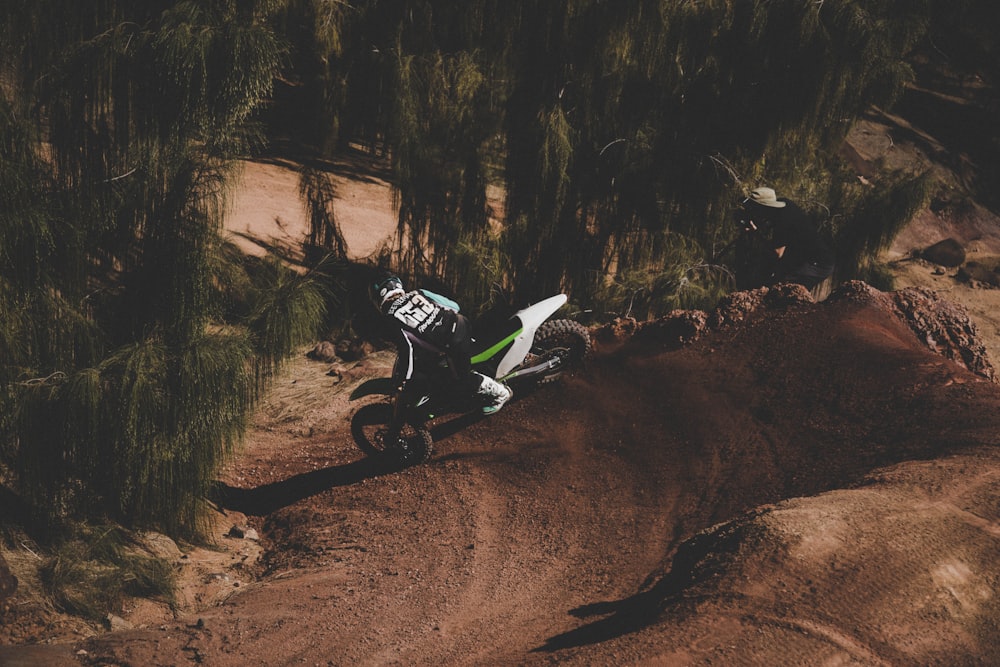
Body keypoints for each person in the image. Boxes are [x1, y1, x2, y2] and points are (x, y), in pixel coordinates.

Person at [370, 272, 512, 414]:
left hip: (454, 343)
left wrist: (404, 381)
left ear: (379, 299)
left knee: (461, 381)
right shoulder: (418, 293)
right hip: (463, 324)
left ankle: (500, 393)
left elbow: (407, 350)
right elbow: (454, 306)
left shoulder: (391, 319)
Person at [739, 187, 835, 291]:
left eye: (756, 209)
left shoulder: (784, 219)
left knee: (784, 290)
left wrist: (755, 233)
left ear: (764, 208)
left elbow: (777, 253)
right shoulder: (783, 205)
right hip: (801, 259)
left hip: (817, 263)